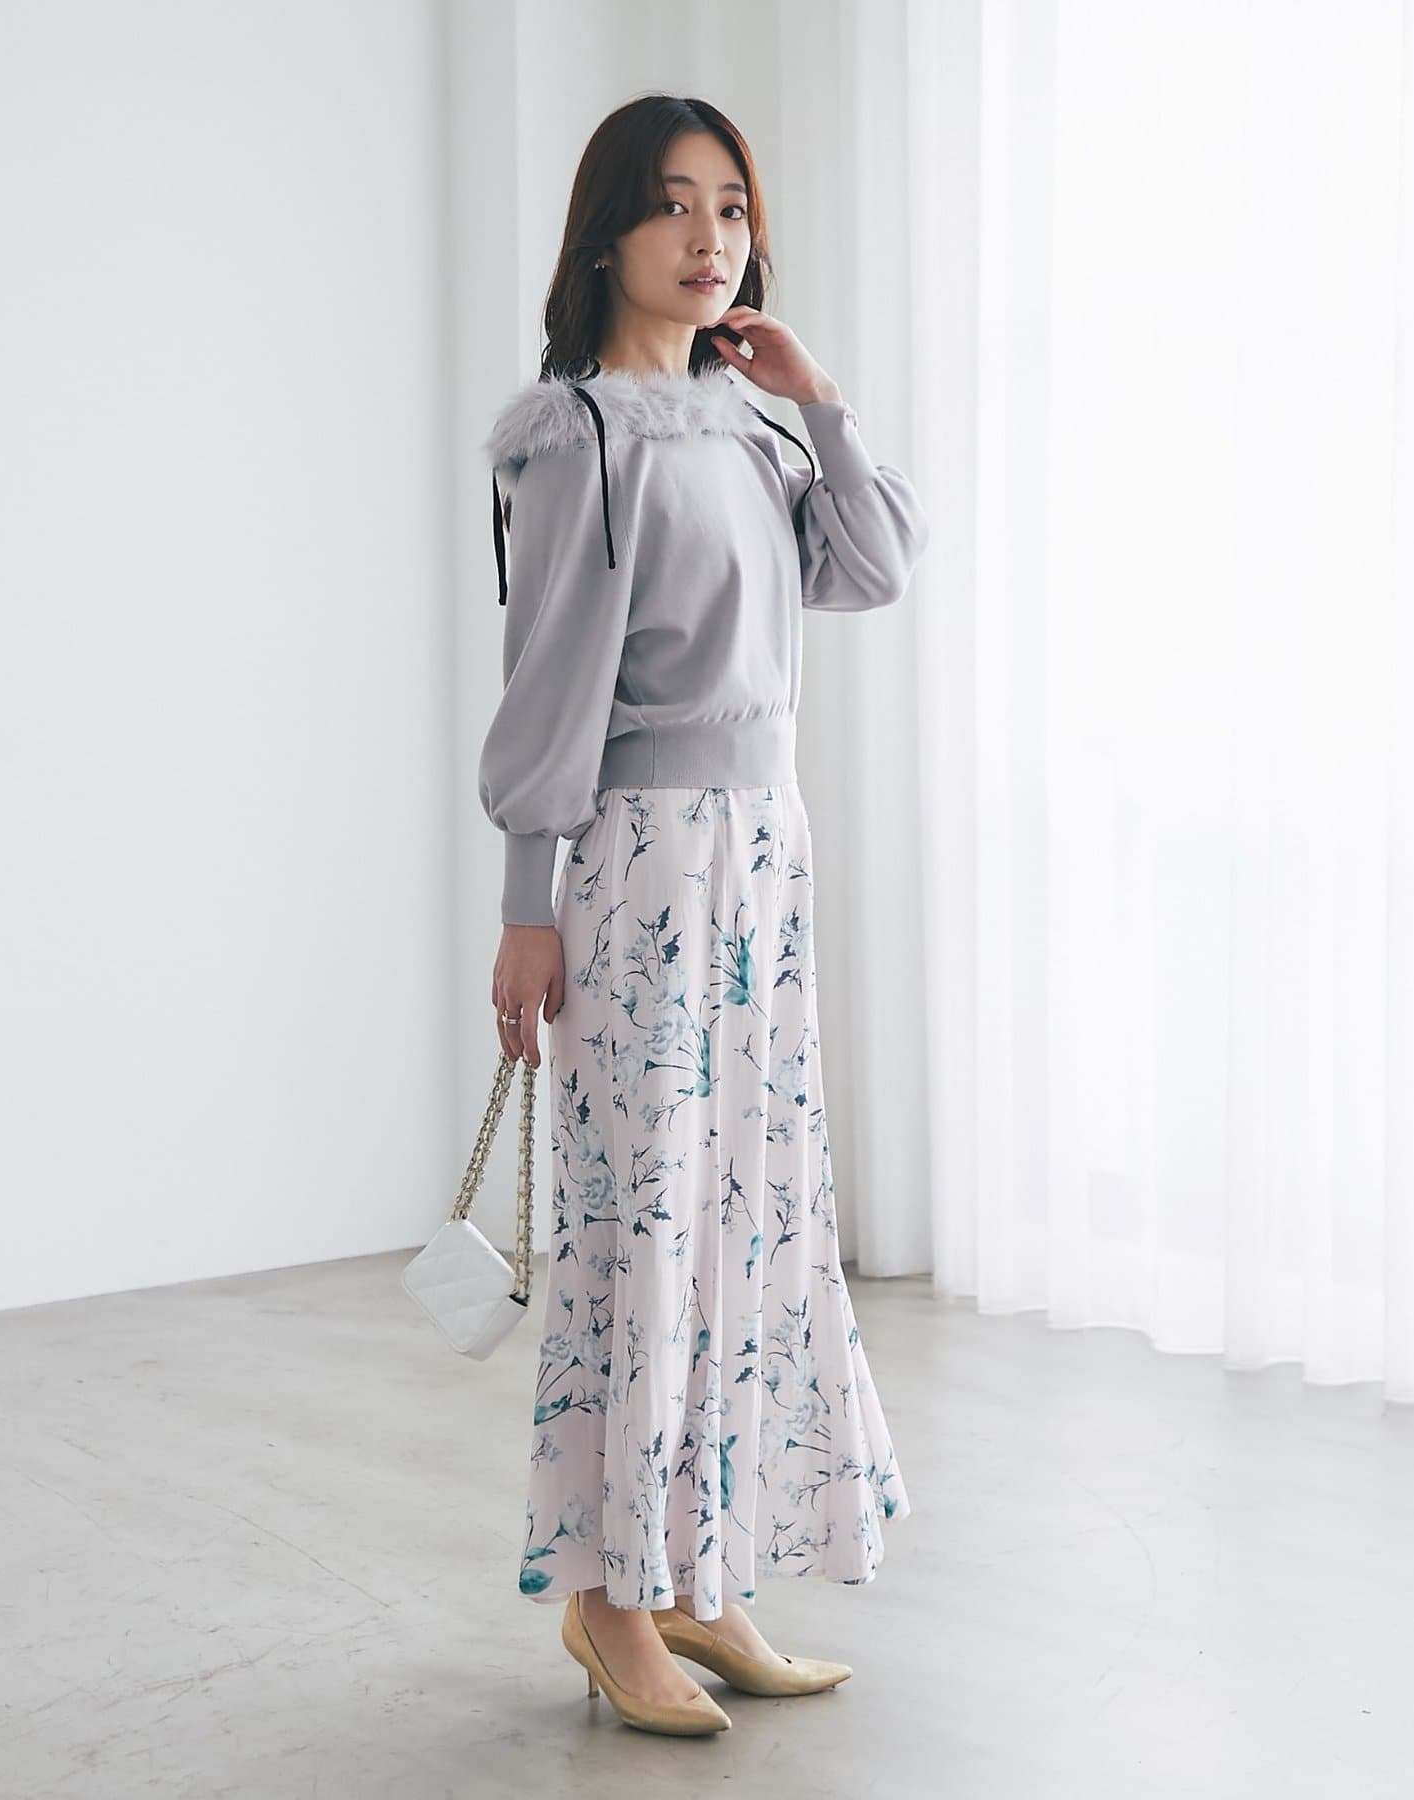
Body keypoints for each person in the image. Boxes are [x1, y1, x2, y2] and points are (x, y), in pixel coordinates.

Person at [476, 93, 929, 1738]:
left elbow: (874, 566)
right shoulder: (574, 436)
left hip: (767, 855)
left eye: (731, 206)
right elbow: (549, 688)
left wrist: (819, 400)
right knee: (644, 1233)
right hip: (645, 861)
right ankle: (611, 1602)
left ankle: (702, 1577)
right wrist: (528, 907)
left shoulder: (753, 429)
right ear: (608, 233)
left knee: (748, 1222)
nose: (709, 236)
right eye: (675, 205)